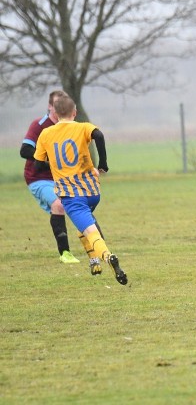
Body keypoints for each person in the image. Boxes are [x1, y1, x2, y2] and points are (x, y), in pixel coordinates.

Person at [33, 95, 128, 285]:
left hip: (71, 195)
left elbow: (37, 166)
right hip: (92, 192)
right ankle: (94, 261)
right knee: (83, 225)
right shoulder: (83, 126)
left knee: (90, 230)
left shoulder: (46, 134)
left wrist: (54, 164)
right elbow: (99, 135)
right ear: (74, 112)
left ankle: (107, 256)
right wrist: (103, 163)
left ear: (56, 113)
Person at [20, 90, 84, 264]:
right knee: (58, 204)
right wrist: (49, 158)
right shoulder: (40, 125)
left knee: (82, 205)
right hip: (39, 179)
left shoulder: (70, 126)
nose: (59, 108)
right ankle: (65, 253)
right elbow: (24, 150)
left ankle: (96, 246)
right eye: (56, 105)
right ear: (49, 106)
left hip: (63, 178)